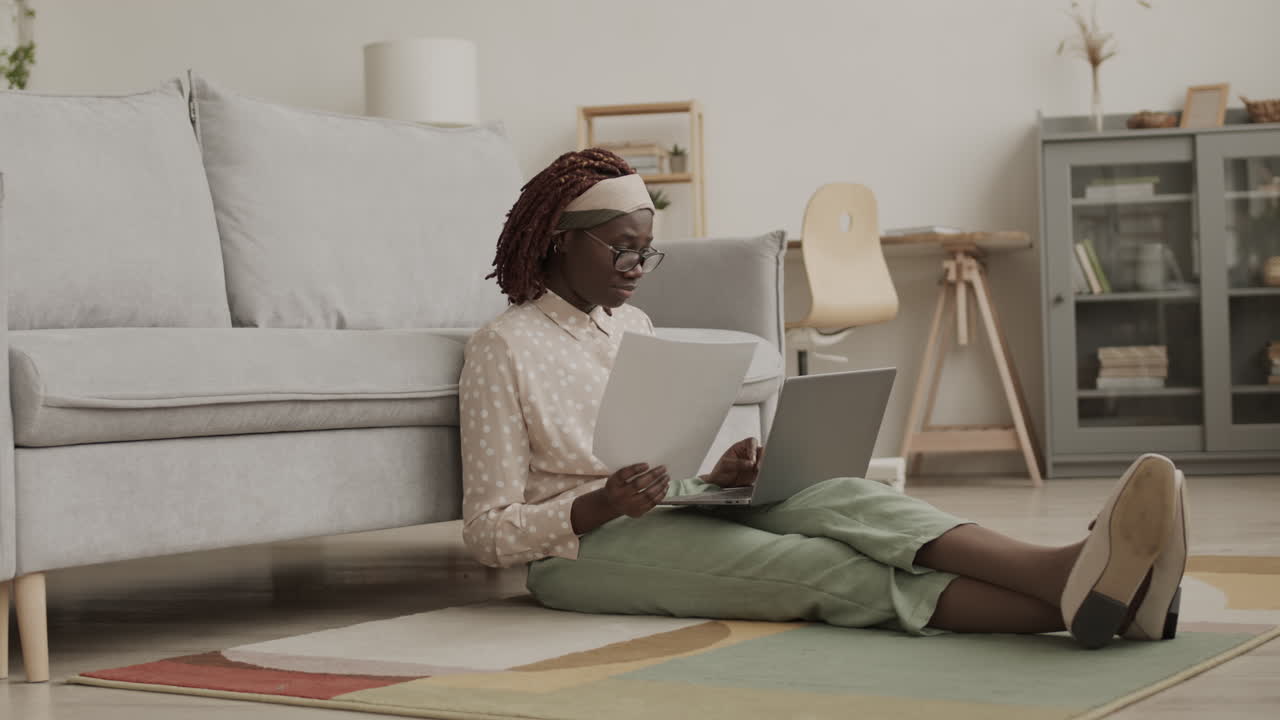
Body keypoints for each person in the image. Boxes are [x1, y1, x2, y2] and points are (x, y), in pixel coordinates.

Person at [459, 148, 1187, 649]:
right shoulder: (504, 347)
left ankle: (1065, 573)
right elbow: (488, 534)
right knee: (816, 565)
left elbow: (657, 451)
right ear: (558, 240)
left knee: (843, 495)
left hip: (671, 503)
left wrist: (714, 477)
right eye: (621, 248)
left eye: (645, 251)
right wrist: (603, 504)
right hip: (581, 550)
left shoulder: (633, 325)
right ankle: (1087, 596)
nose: (636, 269)